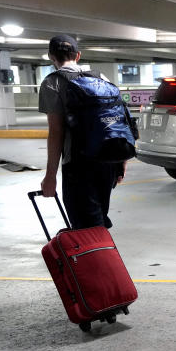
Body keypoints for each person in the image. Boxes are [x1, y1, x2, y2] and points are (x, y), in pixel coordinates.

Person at [38, 34, 127, 228]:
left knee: (86, 227)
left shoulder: (52, 83)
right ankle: (101, 255)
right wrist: (120, 162)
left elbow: (56, 132)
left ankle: (100, 258)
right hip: (107, 161)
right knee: (98, 218)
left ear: (51, 56)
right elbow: (117, 120)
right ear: (78, 55)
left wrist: (50, 175)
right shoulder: (100, 77)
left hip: (79, 165)